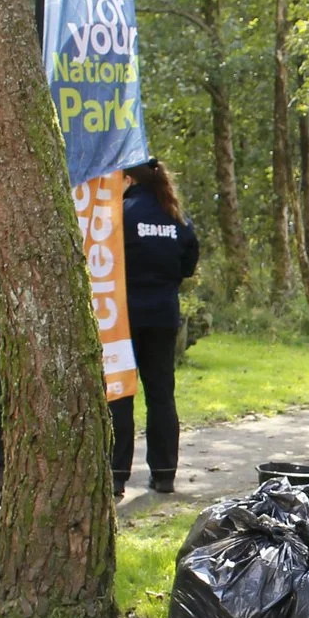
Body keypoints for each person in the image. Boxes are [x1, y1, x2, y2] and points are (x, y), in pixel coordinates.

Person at [112, 159, 197, 497]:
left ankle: (117, 474)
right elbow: (188, 265)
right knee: (161, 394)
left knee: (120, 394)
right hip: (163, 314)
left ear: (129, 179)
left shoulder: (120, 214)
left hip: (123, 316)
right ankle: (164, 473)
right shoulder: (176, 217)